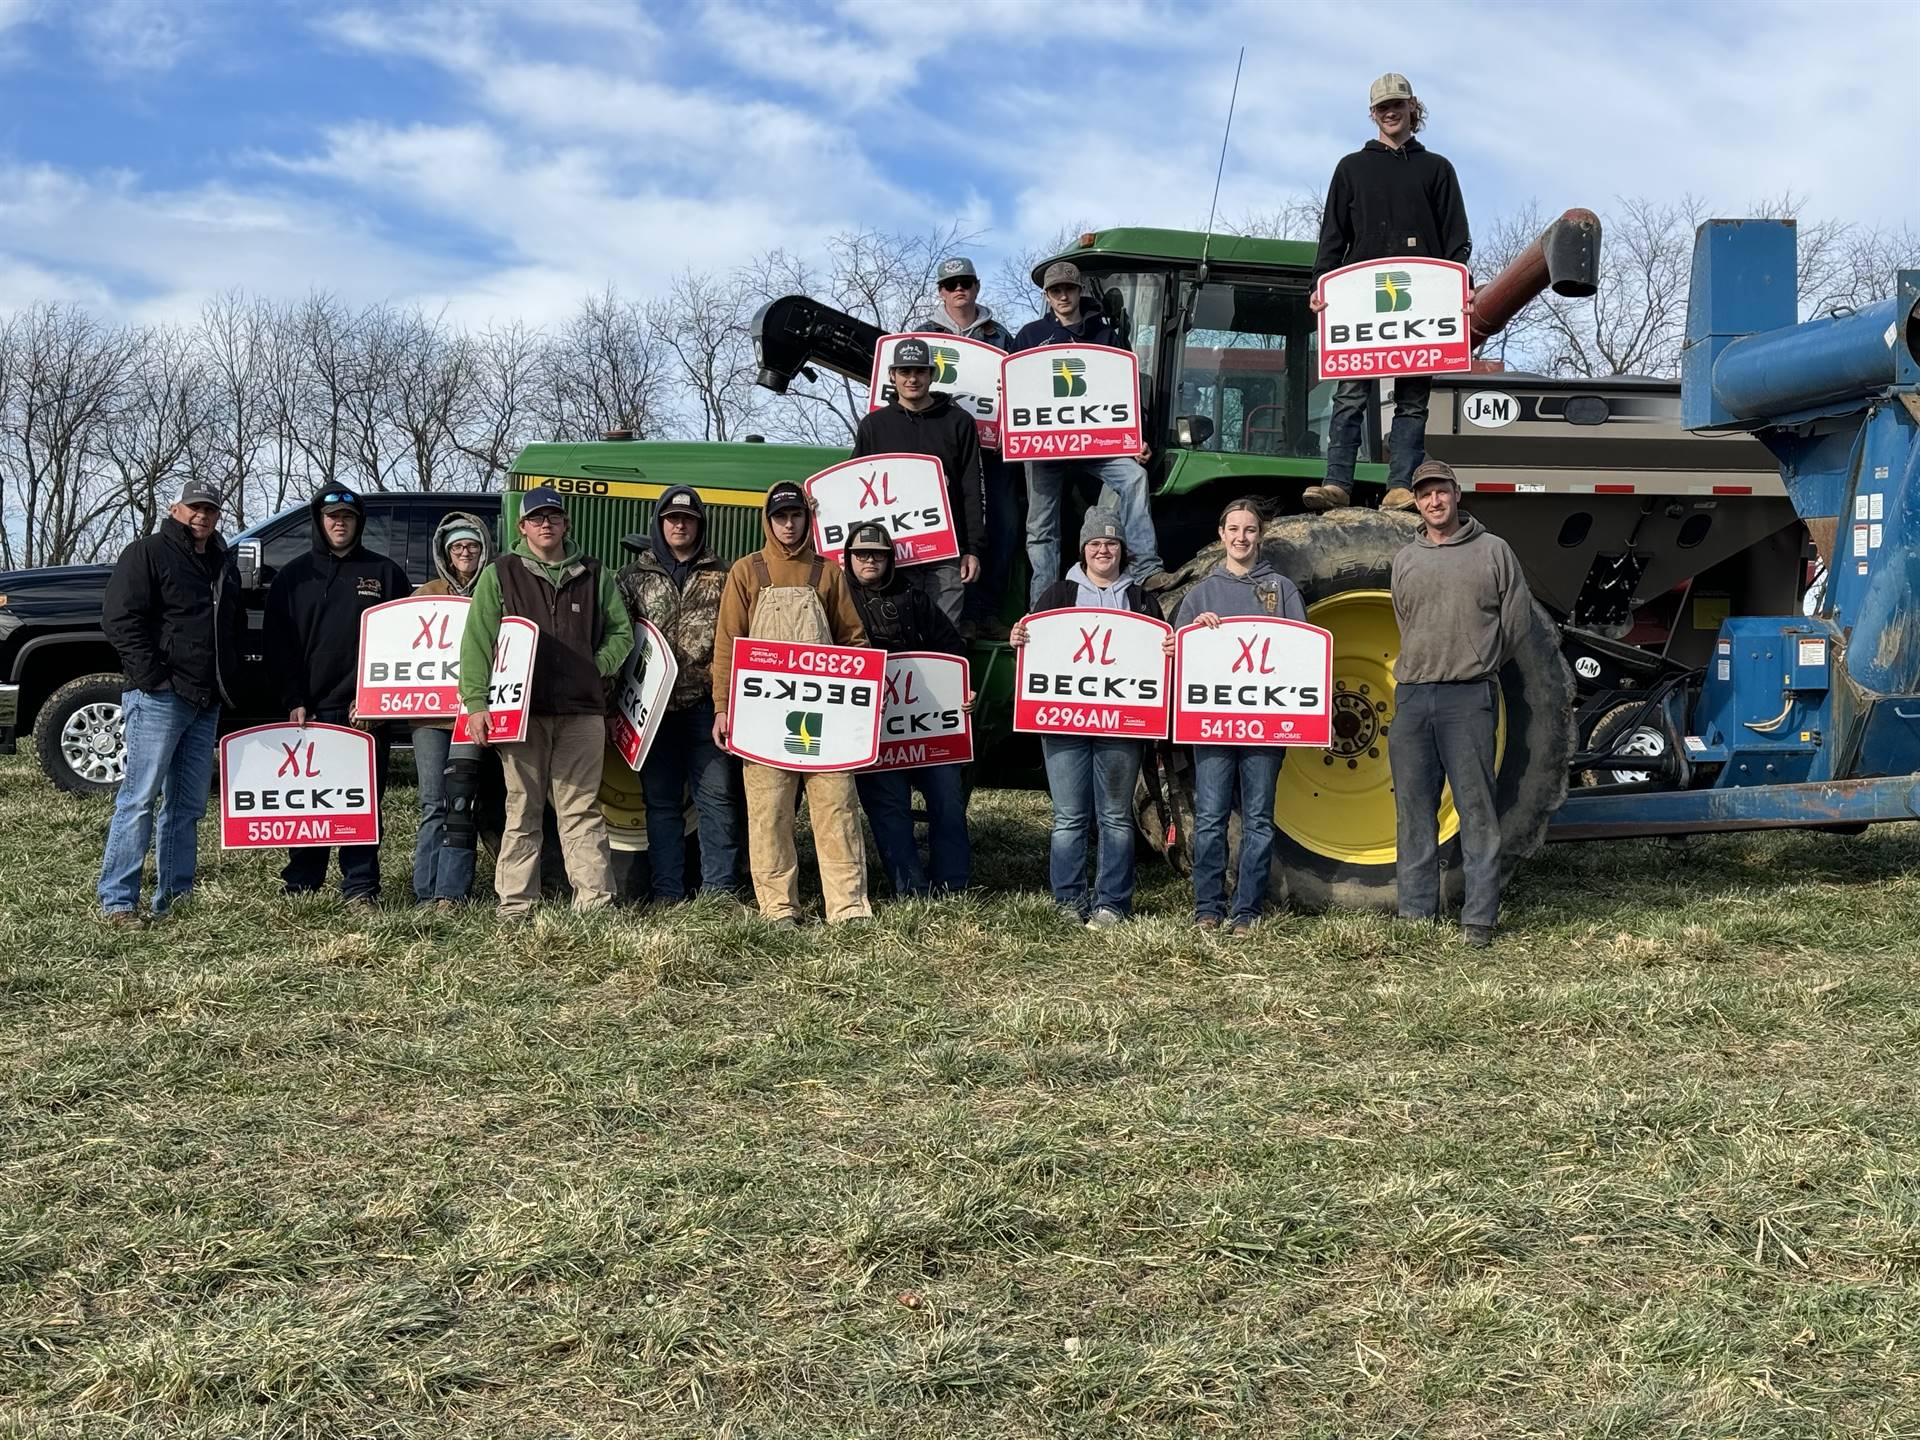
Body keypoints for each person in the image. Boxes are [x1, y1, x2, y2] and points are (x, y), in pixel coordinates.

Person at [459, 486, 633, 922]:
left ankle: (595, 902)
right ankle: (516, 904)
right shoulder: (501, 573)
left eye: (554, 516)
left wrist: (595, 668)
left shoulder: (596, 573)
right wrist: (476, 702)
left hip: (581, 712)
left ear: (566, 523)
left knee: (582, 810)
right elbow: (477, 643)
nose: (546, 523)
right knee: (522, 808)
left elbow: (622, 633)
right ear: (522, 527)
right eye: (537, 518)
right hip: (522, 714)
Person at [1305, 72, 1472, 512]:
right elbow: (1333, 235)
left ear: (1413, 108)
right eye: (1382, 107)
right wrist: (1320, 283)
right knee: (1349, 395)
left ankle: (1400, 485)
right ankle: (1337, 482)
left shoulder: (1437, 168)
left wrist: (1460, 289)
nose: (1391, 112)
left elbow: (1456, 238)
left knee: (1412, 401)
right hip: (1360, 302)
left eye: (1398, 104)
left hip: (1423, 302)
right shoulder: (1351, 168)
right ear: (1372, 113)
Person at [711, 481, 872, 928]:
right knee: (768, 811)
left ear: (807, 518)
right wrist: (723, 707)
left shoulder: (829, 572)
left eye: (795, 515)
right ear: (769, 520)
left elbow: (853, 639)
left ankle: (848, 907)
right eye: (780, 516)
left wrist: (863, 704)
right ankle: (779, 907)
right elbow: (727, 644)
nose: (788, 523)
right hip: (763, 716)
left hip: (828, 716)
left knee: (837, 806)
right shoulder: (747, 572)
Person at [1389, 460, 1531, 947]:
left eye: (1441, 492)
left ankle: (1479, 919)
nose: (1434, 501)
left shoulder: (1495, 552)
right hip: (1412, 697)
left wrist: (1478, 661)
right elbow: (1403, 618)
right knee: (1413, 808)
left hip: (1468, 698)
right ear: (1417, 501)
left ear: (1457, 495)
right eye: (1425, 494)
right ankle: (1415, 912)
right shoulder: (1406, 558)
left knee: (1476, 809)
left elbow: (1515, 624)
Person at [96, 479, 243, 927]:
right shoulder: (147, 553)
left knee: (186, 807)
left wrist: (225, 683)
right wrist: (153, 679)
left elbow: (229, 626)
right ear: (176, 509)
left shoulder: (222, 562)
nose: (203, 516)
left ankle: (176, 899)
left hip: (205, 700)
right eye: (195, 507)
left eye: (211, 510)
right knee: (138, 800)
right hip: (160, 697)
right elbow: (119, 619)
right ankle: (118, 901)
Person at [1010, 508, 1163, 929]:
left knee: (1115, 816)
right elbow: (1031, 644)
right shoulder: (1058, 595)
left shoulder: (1141, 600)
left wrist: (1166, 650)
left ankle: (1112, 903)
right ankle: (1068, 900)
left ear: (1122, 551)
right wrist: (1018, 636)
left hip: (1121, 725)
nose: (1103, 550)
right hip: (1063, 724)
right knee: (1068, 818)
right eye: (1095, 543)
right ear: (1083, 549)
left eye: (1111, 543)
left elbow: (1158, 656)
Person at [265, 487, 412, 906]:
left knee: (360, 804)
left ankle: (360, 888)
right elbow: (280, 646)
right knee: (311, 801)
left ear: (358, 522)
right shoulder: (293, 577)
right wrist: (293, 698)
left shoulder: (385, 575)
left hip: (362, 712)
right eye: (331, 516)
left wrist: (375, 700)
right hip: (307, 711)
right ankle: (302, 883)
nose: (339, 523)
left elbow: (399, 645)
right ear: (319, 521)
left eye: (347, 516)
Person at [1174, 498, 1307, 936]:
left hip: (1265, 728)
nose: (1241, 537)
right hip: (1213, 727)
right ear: (1221, 534)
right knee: (1210, 818)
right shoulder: (1201, 594)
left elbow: (1302, 654)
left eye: (1249, 530)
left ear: (1260, 536)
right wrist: (1191, 633)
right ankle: (1208, 906)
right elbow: (1177, 656)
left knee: (1259, 819)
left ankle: (1247, 909)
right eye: (1234, 529)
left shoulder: (1282, 590)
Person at [615, 485, 738, 904]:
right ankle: (667, 892)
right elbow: (621, 640)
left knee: (717, 801)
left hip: (706, 707)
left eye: (688, 519)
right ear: (659, 523)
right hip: (654, 713)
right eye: (672, 518)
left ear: (699, 525)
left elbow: (735, 641)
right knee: (662, 805)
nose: (680, 524)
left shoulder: (724, 575)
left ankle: (718, 892)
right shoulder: (632, 577)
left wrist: (725, 703)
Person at [1012, 261, 1164, 600]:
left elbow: (1124, 389)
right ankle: (1044, 601)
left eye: (1068, 288)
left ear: (1079, 291)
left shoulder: (1106, 335)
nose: (1063, 295)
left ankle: (1146, 569)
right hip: (1045, 446)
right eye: (1055, 291)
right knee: (1040, 527)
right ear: (1047, 296)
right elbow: (1013, 388)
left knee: (1134, 477)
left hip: (1096, 443)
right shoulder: (1030, 336)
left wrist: (1136, 437)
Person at [840, 520, 971, 898]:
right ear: (848, 559)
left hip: (927, 724)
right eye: (861, 554)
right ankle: (910, 887)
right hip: (872, 729)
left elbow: (953, 648)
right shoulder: (838, 602)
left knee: (947, 796)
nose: (869, 561)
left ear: (890, 560)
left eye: (878, 555)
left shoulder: (915, 598)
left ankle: (954, 882)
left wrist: (961, 688)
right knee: (889, 807)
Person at [912, 257, 1020, 638]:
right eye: (951, 283)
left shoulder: (1001, 336)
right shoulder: (921, 337)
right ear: (941, 291)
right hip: (941, 453)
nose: (959, 289)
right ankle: (937, 614)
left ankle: (985, 611)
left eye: (966, 282)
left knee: (1003, 525)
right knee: (943, 528)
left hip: (993, 452)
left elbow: (1020, 391)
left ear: (977, 286)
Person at [851, 336, 985, 627]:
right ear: (892, 376)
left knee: (946, 635)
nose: (912, 379)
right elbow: (853, 489)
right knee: (895, 634)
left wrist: (972, 549)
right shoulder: (874, 426)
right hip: (892, 554)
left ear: (931, 375)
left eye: (920, 372)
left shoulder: (958, 422)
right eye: (905, 372)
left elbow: (972, 489)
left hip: (946, 553)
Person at [408, 512, 493, 911]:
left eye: (472, 546)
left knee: (462, 801)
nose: (465, 553)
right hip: (428, 716)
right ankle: (424, 889)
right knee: (432, 801)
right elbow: (398, 647)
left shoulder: (494, 589)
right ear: (446, 552)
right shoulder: (425, 593)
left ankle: (452, 892)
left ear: (483, 550)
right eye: (457, 547)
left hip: (470, 713)